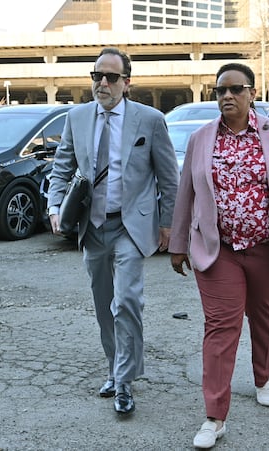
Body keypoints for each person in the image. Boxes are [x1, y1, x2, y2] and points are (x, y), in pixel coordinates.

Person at [169, 63, 269, 449]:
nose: (227, 96)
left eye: (236, 89)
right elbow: (185, 192)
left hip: (268, 247)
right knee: (221, 327)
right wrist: (177, 244)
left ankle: (262, 375)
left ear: (252, 94)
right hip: (217, 250)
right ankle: (214, 416)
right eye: (221, 90)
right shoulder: (202, 139)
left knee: (265, 315)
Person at [46, 47, 179, 416]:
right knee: (104, 305)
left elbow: (170, 179)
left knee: (128, 303)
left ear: (127, 82)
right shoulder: (77, 117)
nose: (102, 83)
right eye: (97, 76)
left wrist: (168, 224)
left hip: (131, 227)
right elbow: (62, 168)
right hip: (93, 228)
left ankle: (124, 381)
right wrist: (55, 206)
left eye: (111, 77)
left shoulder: (150, 120)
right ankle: (113, 366)